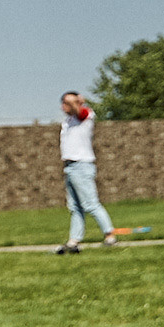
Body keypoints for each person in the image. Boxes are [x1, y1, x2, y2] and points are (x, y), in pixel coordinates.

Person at [57, 91, 118, 254]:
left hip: (81, 165)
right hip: (70, 166)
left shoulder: (85, 114)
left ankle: (110, 235)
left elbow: (81, 112)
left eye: (67, 103)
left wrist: (76, 103)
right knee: (75, 206)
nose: (64, 106)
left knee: (91, 203)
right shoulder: (68, 121)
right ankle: (74, 240)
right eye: (63, 102)